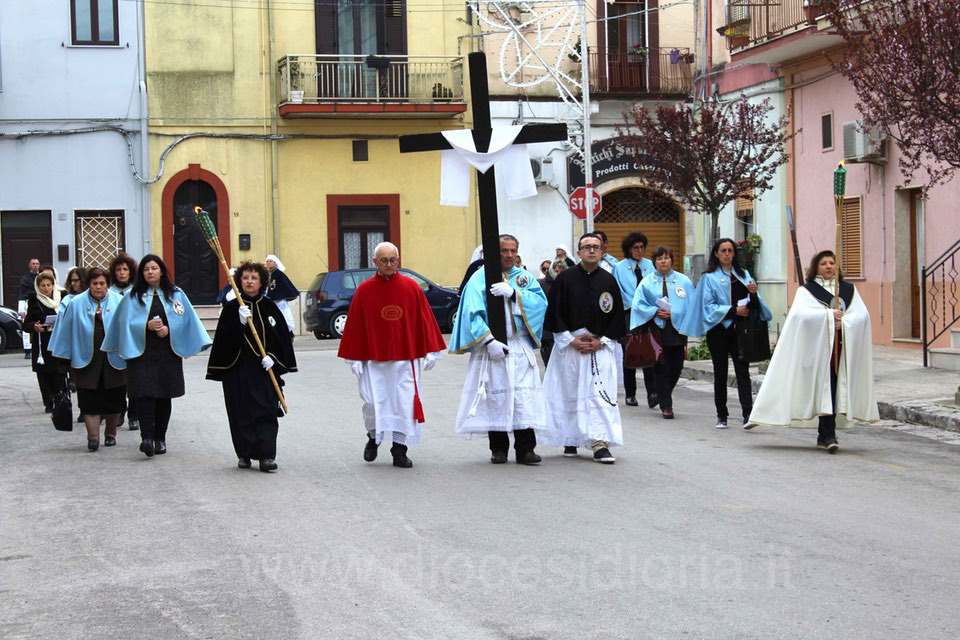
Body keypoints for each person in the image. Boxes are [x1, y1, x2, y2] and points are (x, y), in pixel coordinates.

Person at [745, 250, 879, 451]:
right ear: (816, 267)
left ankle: (827, 435)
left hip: (840, 350)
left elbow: (862, 316)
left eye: (832, 263)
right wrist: (827, 316)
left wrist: (845, 322)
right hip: (816, 352)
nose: (828, 266)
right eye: (823, 263)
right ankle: (824, 434)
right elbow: (800, 317)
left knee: (833, 389)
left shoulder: (848, 290)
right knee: (823, 390)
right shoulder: (807, 291)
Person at [338, 242, 446, 468]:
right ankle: (372, 436)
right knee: (372, 403)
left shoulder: (411, 287)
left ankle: (399, 450)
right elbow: (356, 325)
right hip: (373, 361)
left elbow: (424, 319)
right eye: (384, 260)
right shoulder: (364, 291)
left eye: (393, 260)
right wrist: (354, 358)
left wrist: (432, 350)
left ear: (398, 260)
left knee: (404, 404)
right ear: (375, 262)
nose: (389, 264)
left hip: (405, 359)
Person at [450, 234, 550, 465]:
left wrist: (515, 294)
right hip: (493, 349)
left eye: (512, 250)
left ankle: (526, 449)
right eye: (504, 250)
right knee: (496, 398)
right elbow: (471, 312)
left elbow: (541, 305)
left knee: (523, 398)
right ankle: (499, 449)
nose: (508, 255)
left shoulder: (524, 278)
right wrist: (488, 341)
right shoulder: (479, 279)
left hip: (519, 346)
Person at [102, 254, 211, 458]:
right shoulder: (132, 297)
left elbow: (185, 321)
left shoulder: (176, 295)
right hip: (140, 355)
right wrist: (145, 326)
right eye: (146, 269)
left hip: (167, 354)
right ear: (141, 273)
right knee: (143, 395)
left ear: (161, 271)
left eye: (154, 268)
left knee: (163, 396)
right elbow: (122, 325)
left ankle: (160, 438)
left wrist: (170, 330)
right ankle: (147, 438)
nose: (150, 272)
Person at [542, 233, 626, 463]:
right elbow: (555, 313)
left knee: (599, 396)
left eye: (596, 247)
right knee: (570, 393)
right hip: (572, 347)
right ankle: (571, 438)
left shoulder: (609, 281)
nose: (591, 251)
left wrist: (603, 340)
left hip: (599, 348)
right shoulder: (565, 279)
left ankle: (600, 443)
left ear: (602, 252)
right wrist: (570, 339)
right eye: (586, 247)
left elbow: (617, 316)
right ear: (578, 252)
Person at [207, 261, 297, 472]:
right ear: (239, 281)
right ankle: (244, 453)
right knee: (240, 411)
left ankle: (266, 455)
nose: (249, 281)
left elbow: (282, 339)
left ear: (261, 282)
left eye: (254, 278)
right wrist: (238, 323)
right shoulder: (231, 309)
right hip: (238, 368)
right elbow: (222, 342)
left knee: (266, 409)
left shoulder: (270, 307)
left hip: (263, 370)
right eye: (245, 278)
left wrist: (273, 358)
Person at [679, 238, 772, 429]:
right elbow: (708, 307)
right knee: (720, 373)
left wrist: (753, 294)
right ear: (716, 254)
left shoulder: (744, 274)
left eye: (730, 250)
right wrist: (732, 311)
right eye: (723, 251)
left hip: (741, 332)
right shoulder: (709, 278)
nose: (727, 254)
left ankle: (748, 415)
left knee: (742, 372)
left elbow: (754, 305)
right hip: (719, 331)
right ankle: (722, 415)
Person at [49, 268, 127, 451]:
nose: (98, 287)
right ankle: (93, 438)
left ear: (107, 284)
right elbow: (65, 331)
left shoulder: (119, 301)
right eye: (94, 284)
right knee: (88, 400)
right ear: (89, 285)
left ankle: (110, 434)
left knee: (114, 399)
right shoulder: (76, 303)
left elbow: (128, 328)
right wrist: (62, 359)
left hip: (113, 359)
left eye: (102, 283)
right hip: (85, 359)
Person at [630, 247, 694, 419]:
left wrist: (675, 313)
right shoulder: (647, 281)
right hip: (656, 330)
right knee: (660, 366)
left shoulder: (684, 281)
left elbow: (691, 305)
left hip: (678, 330)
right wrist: (654, 311)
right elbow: (638, 305)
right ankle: (667, 405)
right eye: (659, 259)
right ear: (654, 262)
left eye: (666, 258)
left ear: (672, 260)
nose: (663, 261)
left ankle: (661, 393)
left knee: (676, 366)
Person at [612, 232, 655, 408]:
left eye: (641, 247)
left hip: (648, 314)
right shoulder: (619, 267)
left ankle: (653, 392)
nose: (639, 251)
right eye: (635, 248)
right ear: (628, 249)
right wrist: (632, 304)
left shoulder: (650, 265)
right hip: (628, 313)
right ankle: (630, 394)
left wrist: (648, 307)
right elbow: (617, 290)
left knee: (649, 352)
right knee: (630, 353)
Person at [24, 271, 67, 414]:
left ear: (53, 285)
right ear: (38, 286)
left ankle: (60, 398)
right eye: (42, 285)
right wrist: (34, 327)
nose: (46, 288)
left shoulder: (62, 297)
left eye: (48, 285)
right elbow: (26, 324)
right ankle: (48, 402)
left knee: (58, 372)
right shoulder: (34, 300)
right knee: (44, 374)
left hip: (59, 341)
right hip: (42, 342)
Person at [109, 252, 139, 430]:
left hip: (134, 342)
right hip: (116, 341)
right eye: (118, 269)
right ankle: (120, 410)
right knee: (118, 380)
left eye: (125, 269)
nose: (121, 273)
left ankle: (134, 415)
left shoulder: (136, 292)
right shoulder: (109, 293)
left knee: (134, 380)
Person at [264, 255, 299, 333]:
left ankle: (288, 334)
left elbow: (283, 287)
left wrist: (277, 296)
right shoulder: (268, 275)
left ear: (276, 263)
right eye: (267, 261)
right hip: (271, 303)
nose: (268, 263)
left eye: (270, 261)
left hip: (279, 302)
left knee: (284, 320)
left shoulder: (278, 274)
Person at [18, 258, 40, 359]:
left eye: (37, 264)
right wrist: (21, 309)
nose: (35, 265)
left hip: (40, 304)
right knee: (26, 325)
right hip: (27, 303)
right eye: (33, 264)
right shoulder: (25, 278)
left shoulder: (42, 277)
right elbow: (22, 294)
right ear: (30, 266)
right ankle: (27, 350)